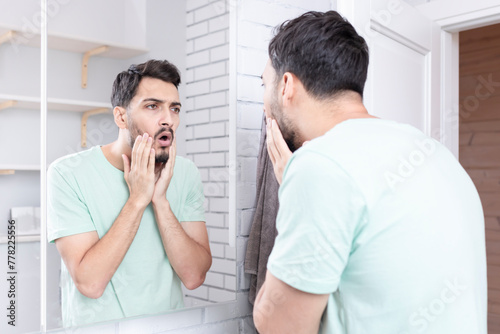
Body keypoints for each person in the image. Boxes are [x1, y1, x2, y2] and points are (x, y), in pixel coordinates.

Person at [253, 11, 487, 334]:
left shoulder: (318, 167)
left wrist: (293, 184)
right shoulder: (439, 156)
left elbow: (278, 327)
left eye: (265, 84)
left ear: (286, 87)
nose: (263, 104)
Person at [47, 59, 212, 327]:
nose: (167, 119)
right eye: (152, 106)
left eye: (174, 109)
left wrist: (160, 201)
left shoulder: (186, 173)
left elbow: (194, 277)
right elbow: (90, 283)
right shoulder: (68, 174)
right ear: (121, 116)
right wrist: (137, 199)